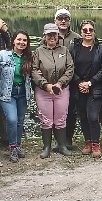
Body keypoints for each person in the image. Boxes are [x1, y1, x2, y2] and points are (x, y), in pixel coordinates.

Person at [33, 23, 74, 158]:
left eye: (54, 34)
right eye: (49, 34)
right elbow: (34, 70)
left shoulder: (64, 51)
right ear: (44, 36)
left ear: (58, 36)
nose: (52, 37)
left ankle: (61, 145)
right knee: (46, 119)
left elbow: (70, 69)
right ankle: (46, 147)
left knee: (61, 118)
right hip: (43, 91)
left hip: (61, 89)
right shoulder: (38, 51)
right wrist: (45, 85)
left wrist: (60, 83)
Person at [0, 30, 32, 162]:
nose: (21, 42)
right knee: (12, 119)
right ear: (13, 41)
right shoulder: (2, 55)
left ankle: (17, 145)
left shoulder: (29, 57)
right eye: (19, 39)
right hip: (7, 93)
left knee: (20, 121)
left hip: (23, 92)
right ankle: (12, 147)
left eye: (24, 40)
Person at [69, 20, 102, 155]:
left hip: (95, 87)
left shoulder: (101, 49)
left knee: (92, 116)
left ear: (94, 32)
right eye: (85, 30)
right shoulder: (74, 48)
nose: (88, 32)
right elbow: (70, 67)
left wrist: (90, 83)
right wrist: (79, 82)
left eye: (90, 30)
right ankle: (88, 141)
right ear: (81, 32)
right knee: (83, 116)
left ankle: (96, 143)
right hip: (78, 88)